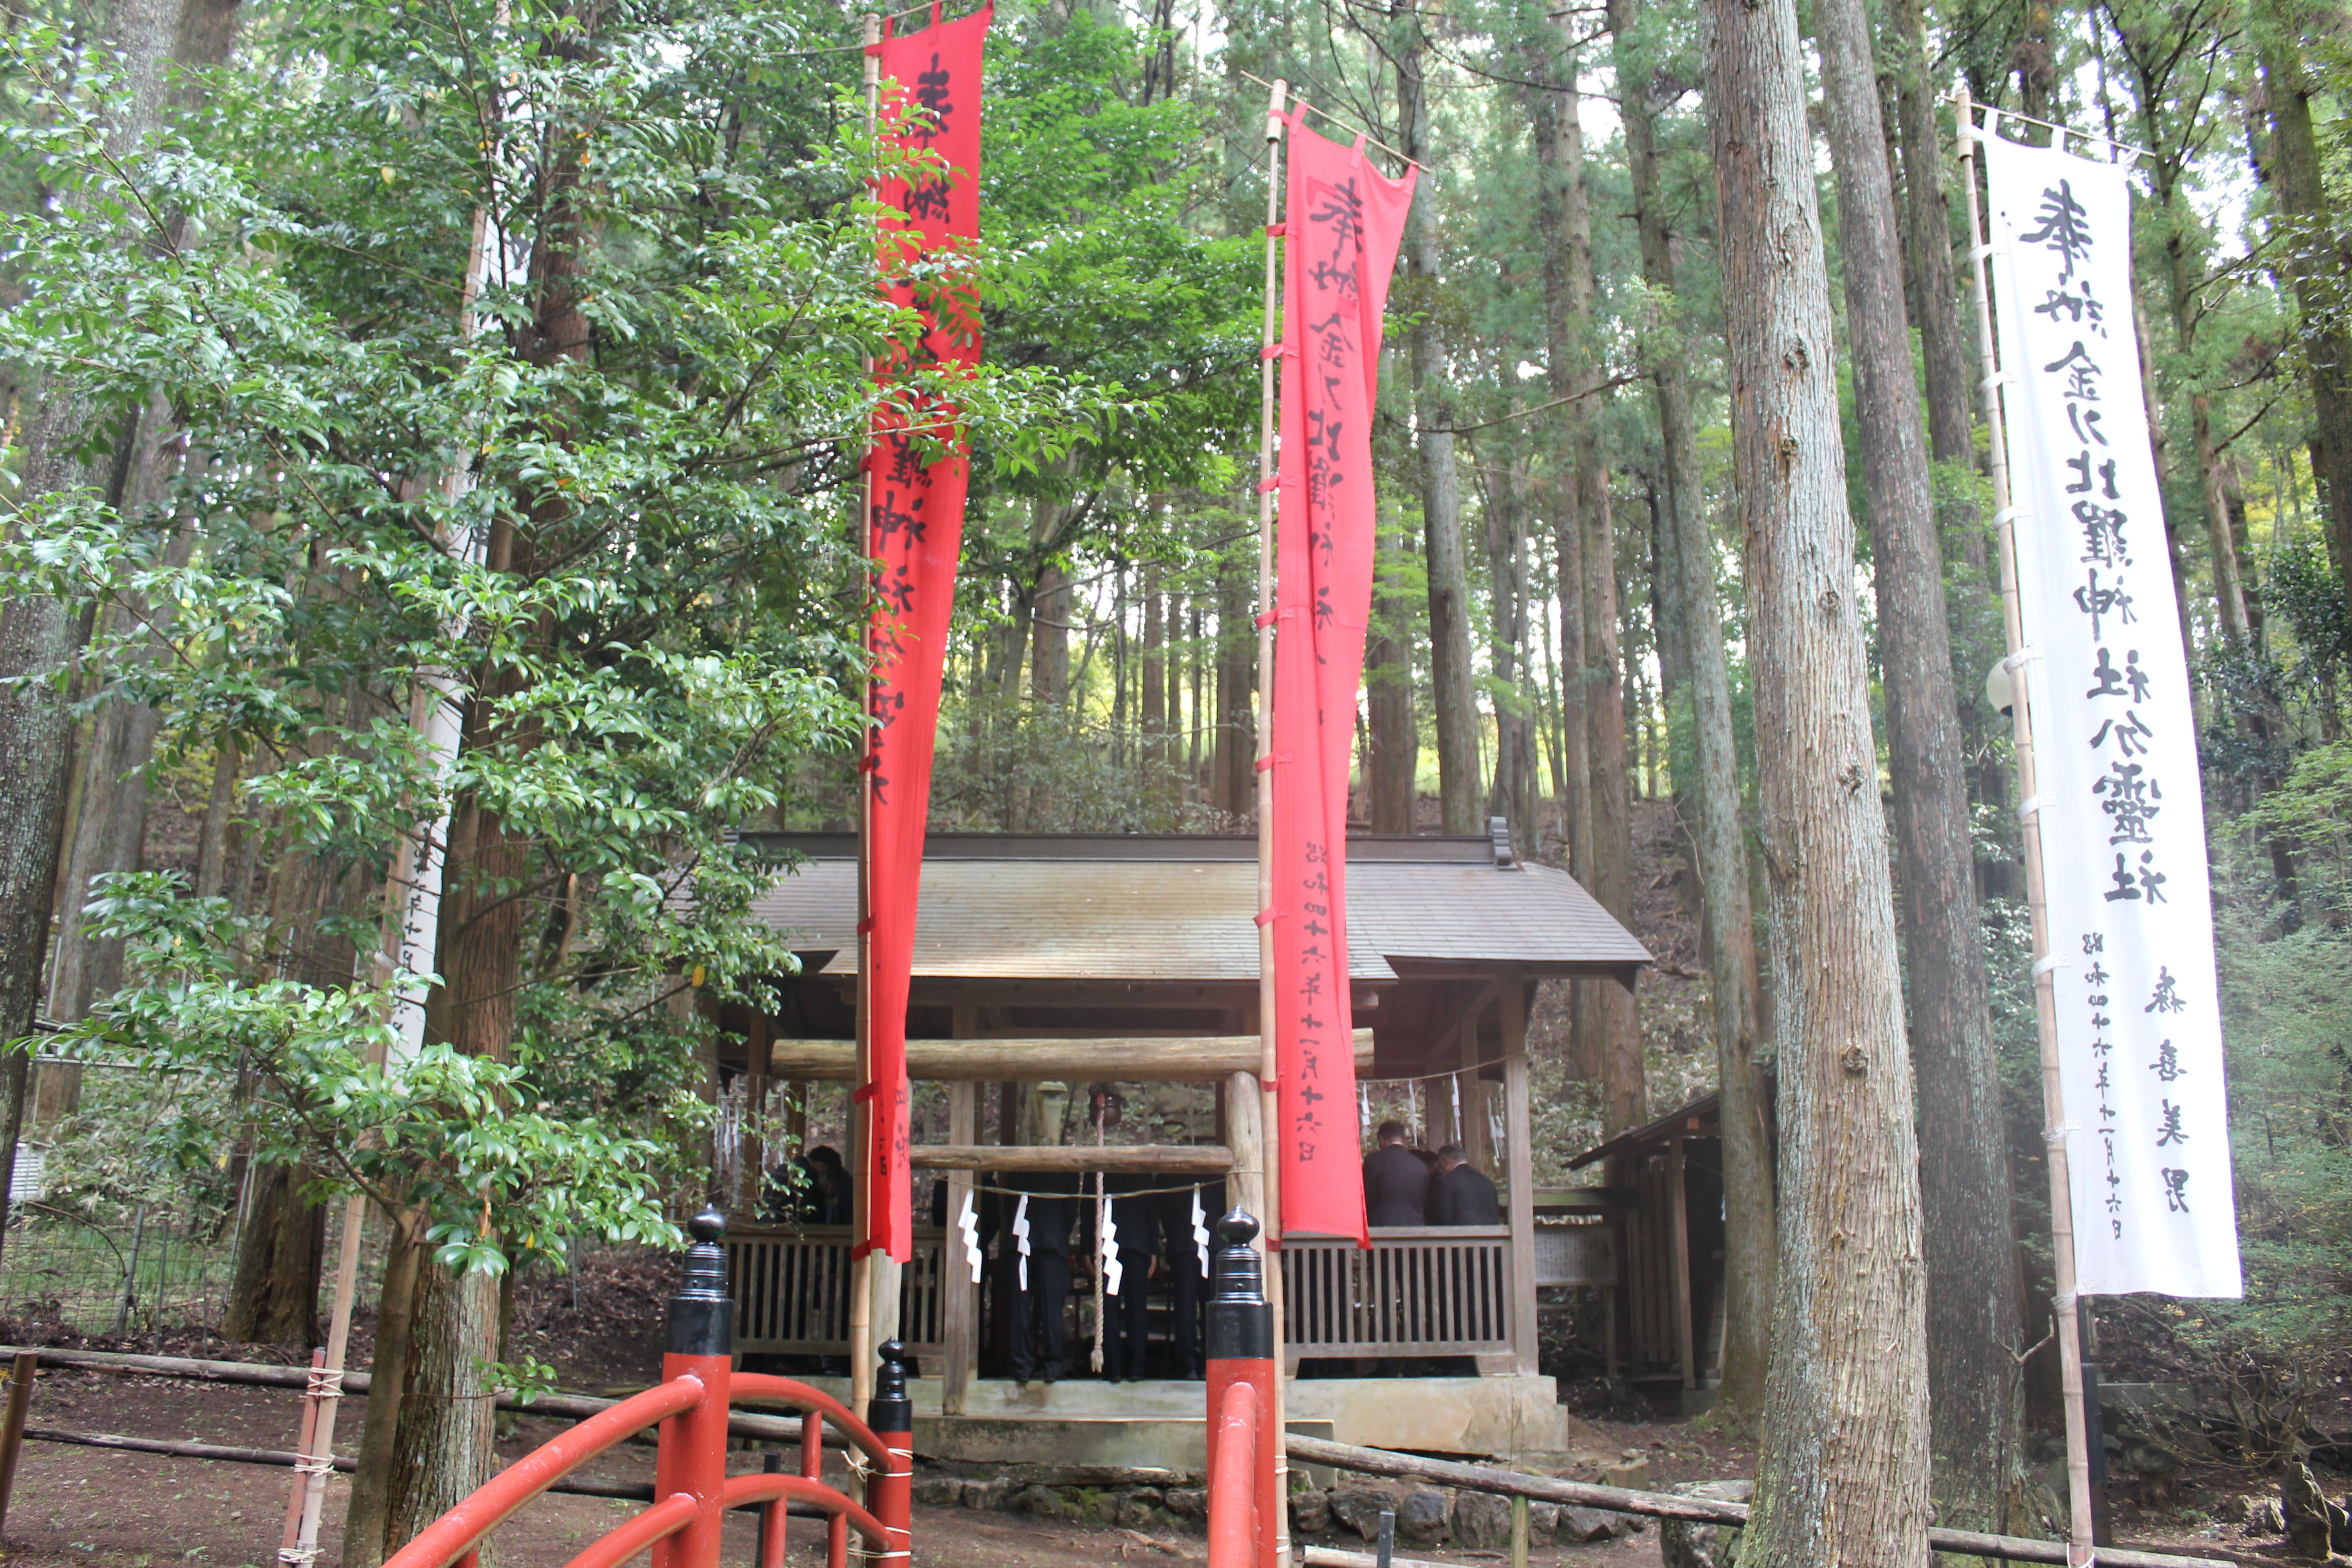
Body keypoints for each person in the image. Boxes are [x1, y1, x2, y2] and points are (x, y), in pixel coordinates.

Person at [1002, 1170, 1078, 1384]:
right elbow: (1071, 1210)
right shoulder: (1066, 1170)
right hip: (1053, 1239)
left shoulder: (1018, 1169)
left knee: (1020, 1307)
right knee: (1051, 1307)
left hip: (1021, 1238)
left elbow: (1009, 1208)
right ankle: (1053, 1365)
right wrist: (1060, 1232)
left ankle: (1022, 1365)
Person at [1102, 1173, 1160, 1382]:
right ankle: (1136, 1368)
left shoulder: (1100, 1174)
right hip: (1136, 1244)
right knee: (1134, 1309)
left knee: (1111, 1309)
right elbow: (1152, 1213)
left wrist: (1087, 1251)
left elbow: (1088, 1210)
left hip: (1110, 1244)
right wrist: (1153, 1250)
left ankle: (1114, 1368)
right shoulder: (1142, 1175)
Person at [1362, 1119, 1429, 1227]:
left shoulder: (1373, 1161)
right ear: (1404, 1141)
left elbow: (1368, 1197)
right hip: (1415, 1227)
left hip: (1382, 1228)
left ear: (1381, 1139)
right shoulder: (1421, 1166)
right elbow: (1425, 1201)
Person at [1426, 1143, 1500, 1225]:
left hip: (1463, 1234)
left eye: (1441, 1166)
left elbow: (1444, 1216)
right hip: (1491, 1233)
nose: (1441, 1170)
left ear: (1445, 1161)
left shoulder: (1446, 1181)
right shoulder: (1487, 1181)